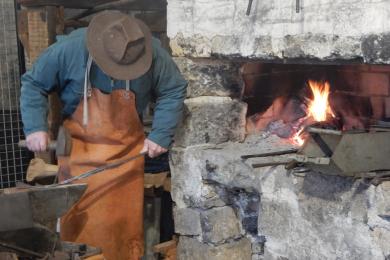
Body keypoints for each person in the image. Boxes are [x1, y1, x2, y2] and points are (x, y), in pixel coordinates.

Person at [20, 10, 187, 260]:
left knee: (124, 230)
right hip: (79, 156)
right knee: (78, 231)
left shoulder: (150, 51)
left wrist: (160, 135)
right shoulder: (70, 49)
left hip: (126, 159)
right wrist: (35, 127)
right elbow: (33, 84)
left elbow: (174, 89)